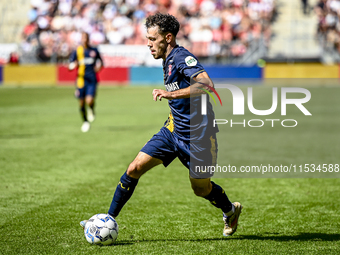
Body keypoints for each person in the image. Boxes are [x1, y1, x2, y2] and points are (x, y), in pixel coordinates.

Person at [80, 13, 242, 237]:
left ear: (167, 38)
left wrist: (171, 94)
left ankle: (230, 210)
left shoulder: (180, 57)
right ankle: (107, 220)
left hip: (199, 138)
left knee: (200, 189)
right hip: (172, 131)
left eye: (152, 39)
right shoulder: (166, 59)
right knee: (134, 168)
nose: (148, 44)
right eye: (147, 38)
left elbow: (206, 84)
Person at [69, 32, 103, 132]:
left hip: (92, 80)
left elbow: (101, 62)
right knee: (81, 103)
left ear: (88, 39)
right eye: (83, 38)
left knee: (89, 100)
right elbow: (69, 65)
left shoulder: (94, 50)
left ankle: (91, 109)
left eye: (86, 38)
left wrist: (98, 68)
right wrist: (72, 65)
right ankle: (85, 122)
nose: (84, 40)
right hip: (81, 80)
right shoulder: (77, 51)